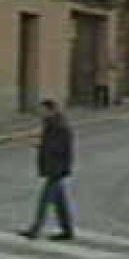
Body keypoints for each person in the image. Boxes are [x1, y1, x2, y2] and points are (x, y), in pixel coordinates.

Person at [19, 100, 75, 241]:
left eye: (42, 110)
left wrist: (41, 145)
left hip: (55, 169)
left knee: (44, 200)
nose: (40, 113)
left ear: (50, 110)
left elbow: (59, 148)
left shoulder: (58, 126)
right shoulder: (53, 124)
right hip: (56, 168)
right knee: (60, 203)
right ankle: (67, 230)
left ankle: (35, 229)